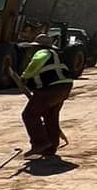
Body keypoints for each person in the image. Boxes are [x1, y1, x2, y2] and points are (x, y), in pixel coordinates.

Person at [8, 32, 76, 160]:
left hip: (51, 88)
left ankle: (40, 143)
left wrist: (24, 77)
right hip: (64, 87)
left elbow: (35, 65)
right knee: (51, 116)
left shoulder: (42, 53)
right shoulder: (57, 55)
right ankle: (50, 148)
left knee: (29, 115)